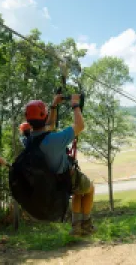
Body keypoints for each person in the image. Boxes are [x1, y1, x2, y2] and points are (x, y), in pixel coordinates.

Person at [24, 94, 96, 236]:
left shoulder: (28, 140)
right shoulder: (55, 140)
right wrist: (75, 104)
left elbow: (49, 126)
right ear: (44, 116)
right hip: (65, 178)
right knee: (89, 189)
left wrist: (54, 105)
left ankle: (76, 227)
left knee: (78, 192)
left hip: (51, 183)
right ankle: (86, 224)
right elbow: (80, 126)